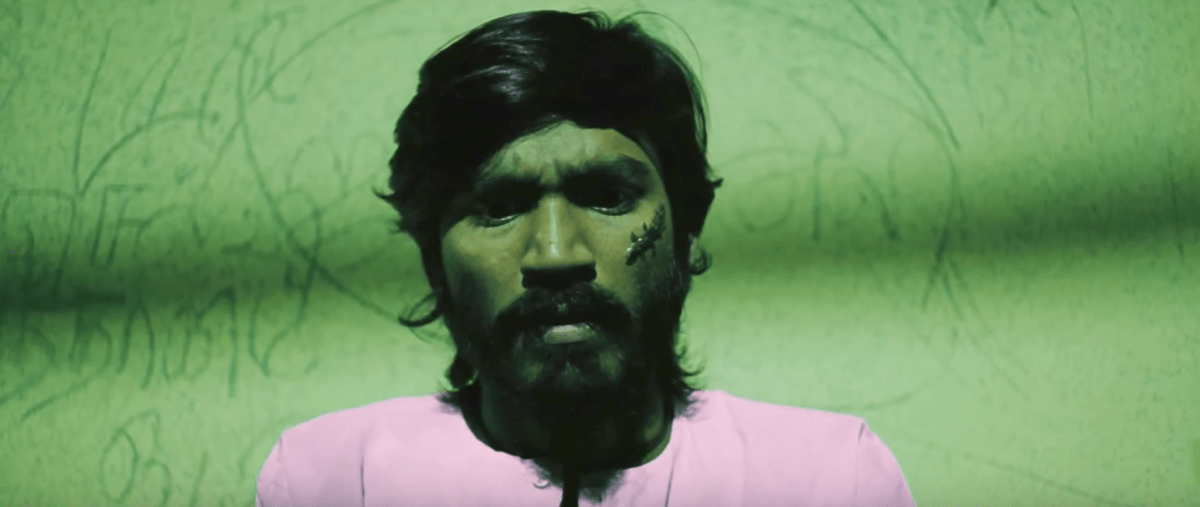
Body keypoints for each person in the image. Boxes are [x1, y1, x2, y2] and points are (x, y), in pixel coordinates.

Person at [255, 8, 916, 507]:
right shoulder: (332, 480)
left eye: (604, 196)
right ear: (434, 258)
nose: (555, 253)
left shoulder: (831, 479)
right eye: (500, 206)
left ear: (687, 230)